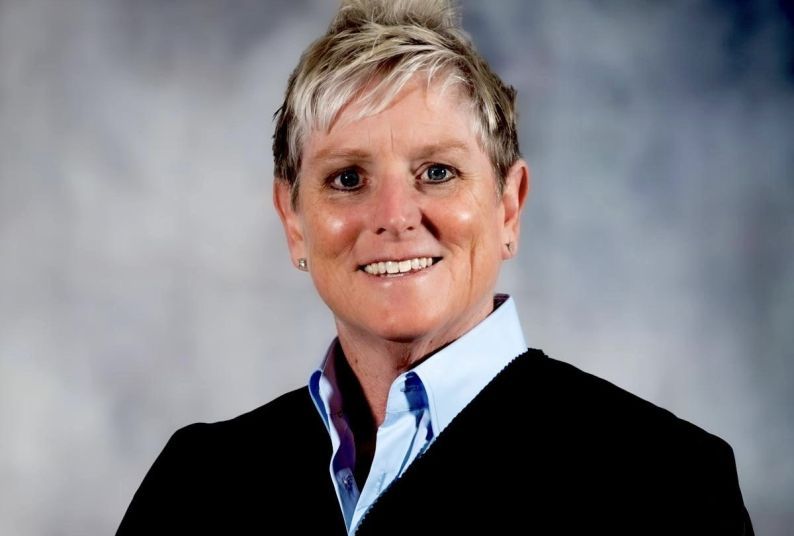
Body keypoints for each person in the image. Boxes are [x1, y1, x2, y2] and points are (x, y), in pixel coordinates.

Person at [117, 1, 754, 534]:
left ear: (508, 206)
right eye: (347, 178)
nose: (394, 216)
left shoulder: (666, 482)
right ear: (293, 219)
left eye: (438, 173)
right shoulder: (195, 486)